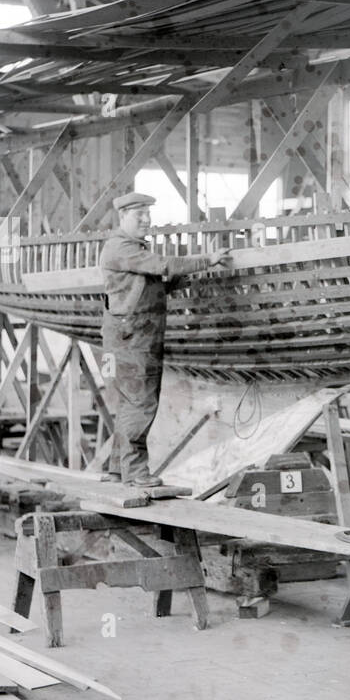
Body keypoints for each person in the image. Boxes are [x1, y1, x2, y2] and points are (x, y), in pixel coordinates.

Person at [100, 192, 229, 487]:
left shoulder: (131, 250)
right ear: (123, 217)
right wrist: (205, 260)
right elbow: (163, 265)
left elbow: (152, 285)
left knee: (130, 403)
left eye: (148, 213)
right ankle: (135, 473)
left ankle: (117, 470)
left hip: (130, 338)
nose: (146, 220)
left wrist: (183, 277)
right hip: (132, 341)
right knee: (140, 403)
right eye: (139, 215)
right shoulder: (121, 248)